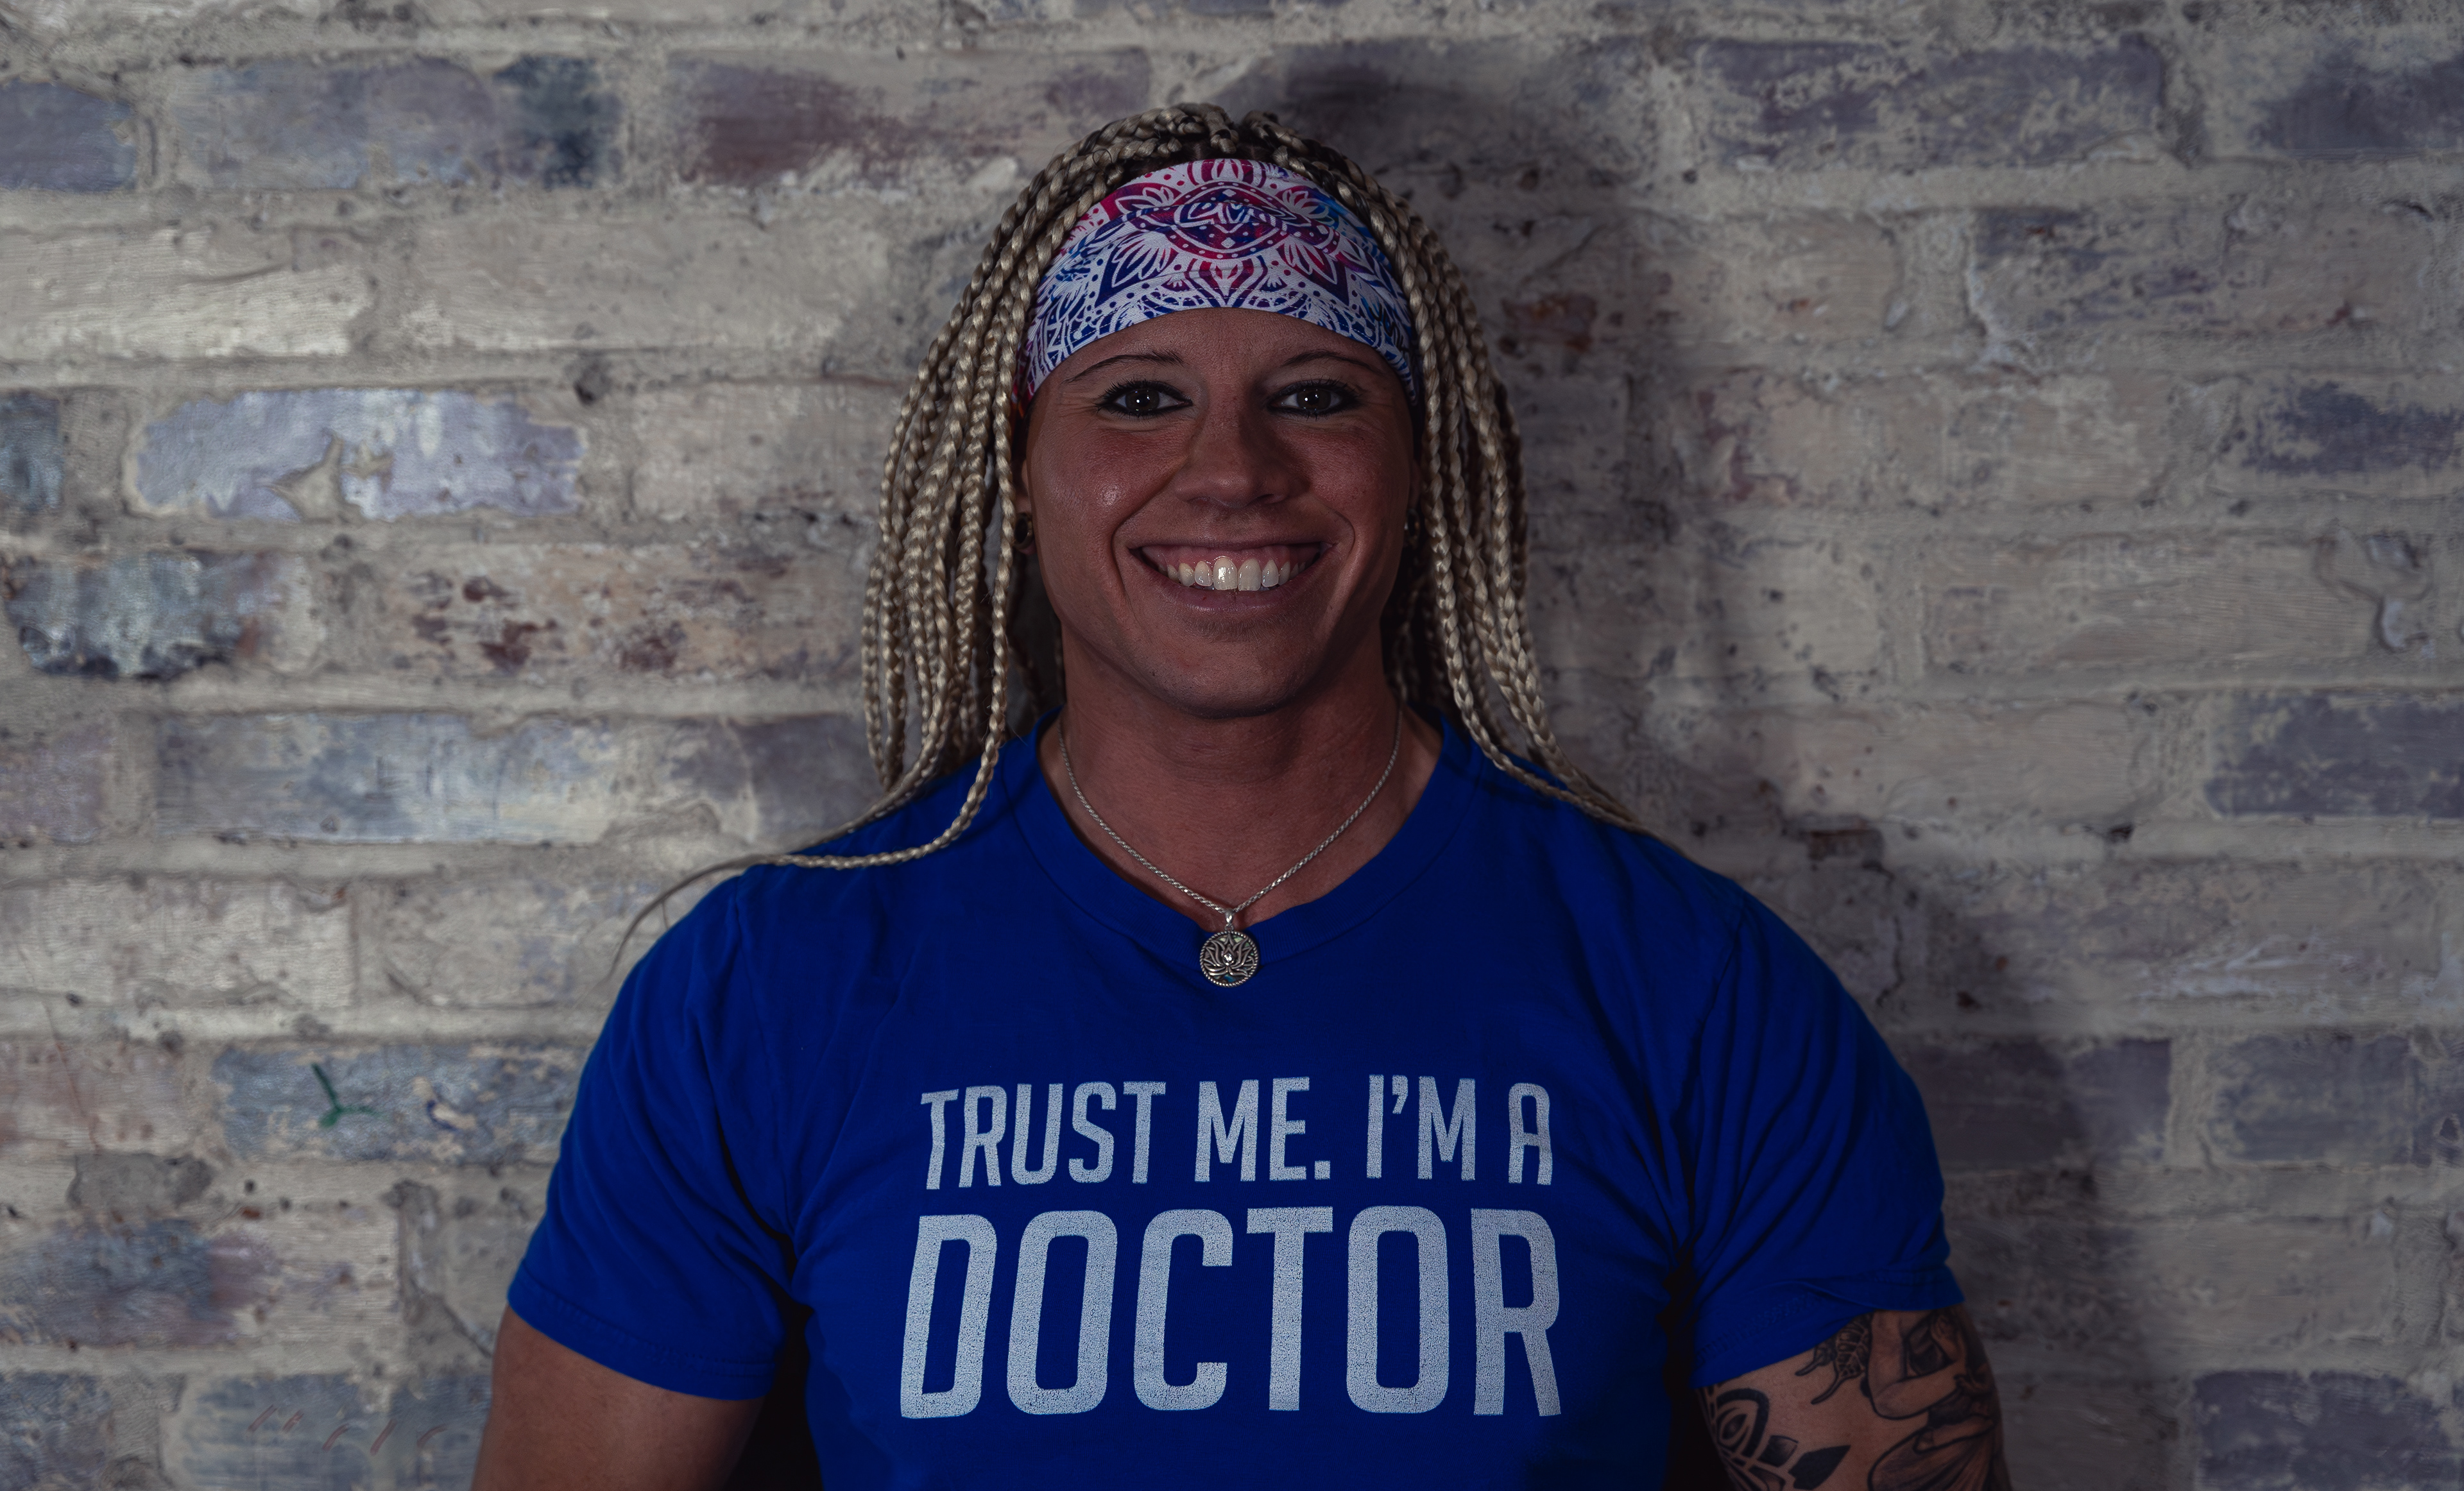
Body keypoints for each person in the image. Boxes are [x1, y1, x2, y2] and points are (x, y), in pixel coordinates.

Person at [472, 105, 2012, 1491]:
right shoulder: (763, 988)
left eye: (1316, 394)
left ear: (1417, 466)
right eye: (1139, 395)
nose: (1233, 469)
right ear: (1018, 466)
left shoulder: (1697, 988)